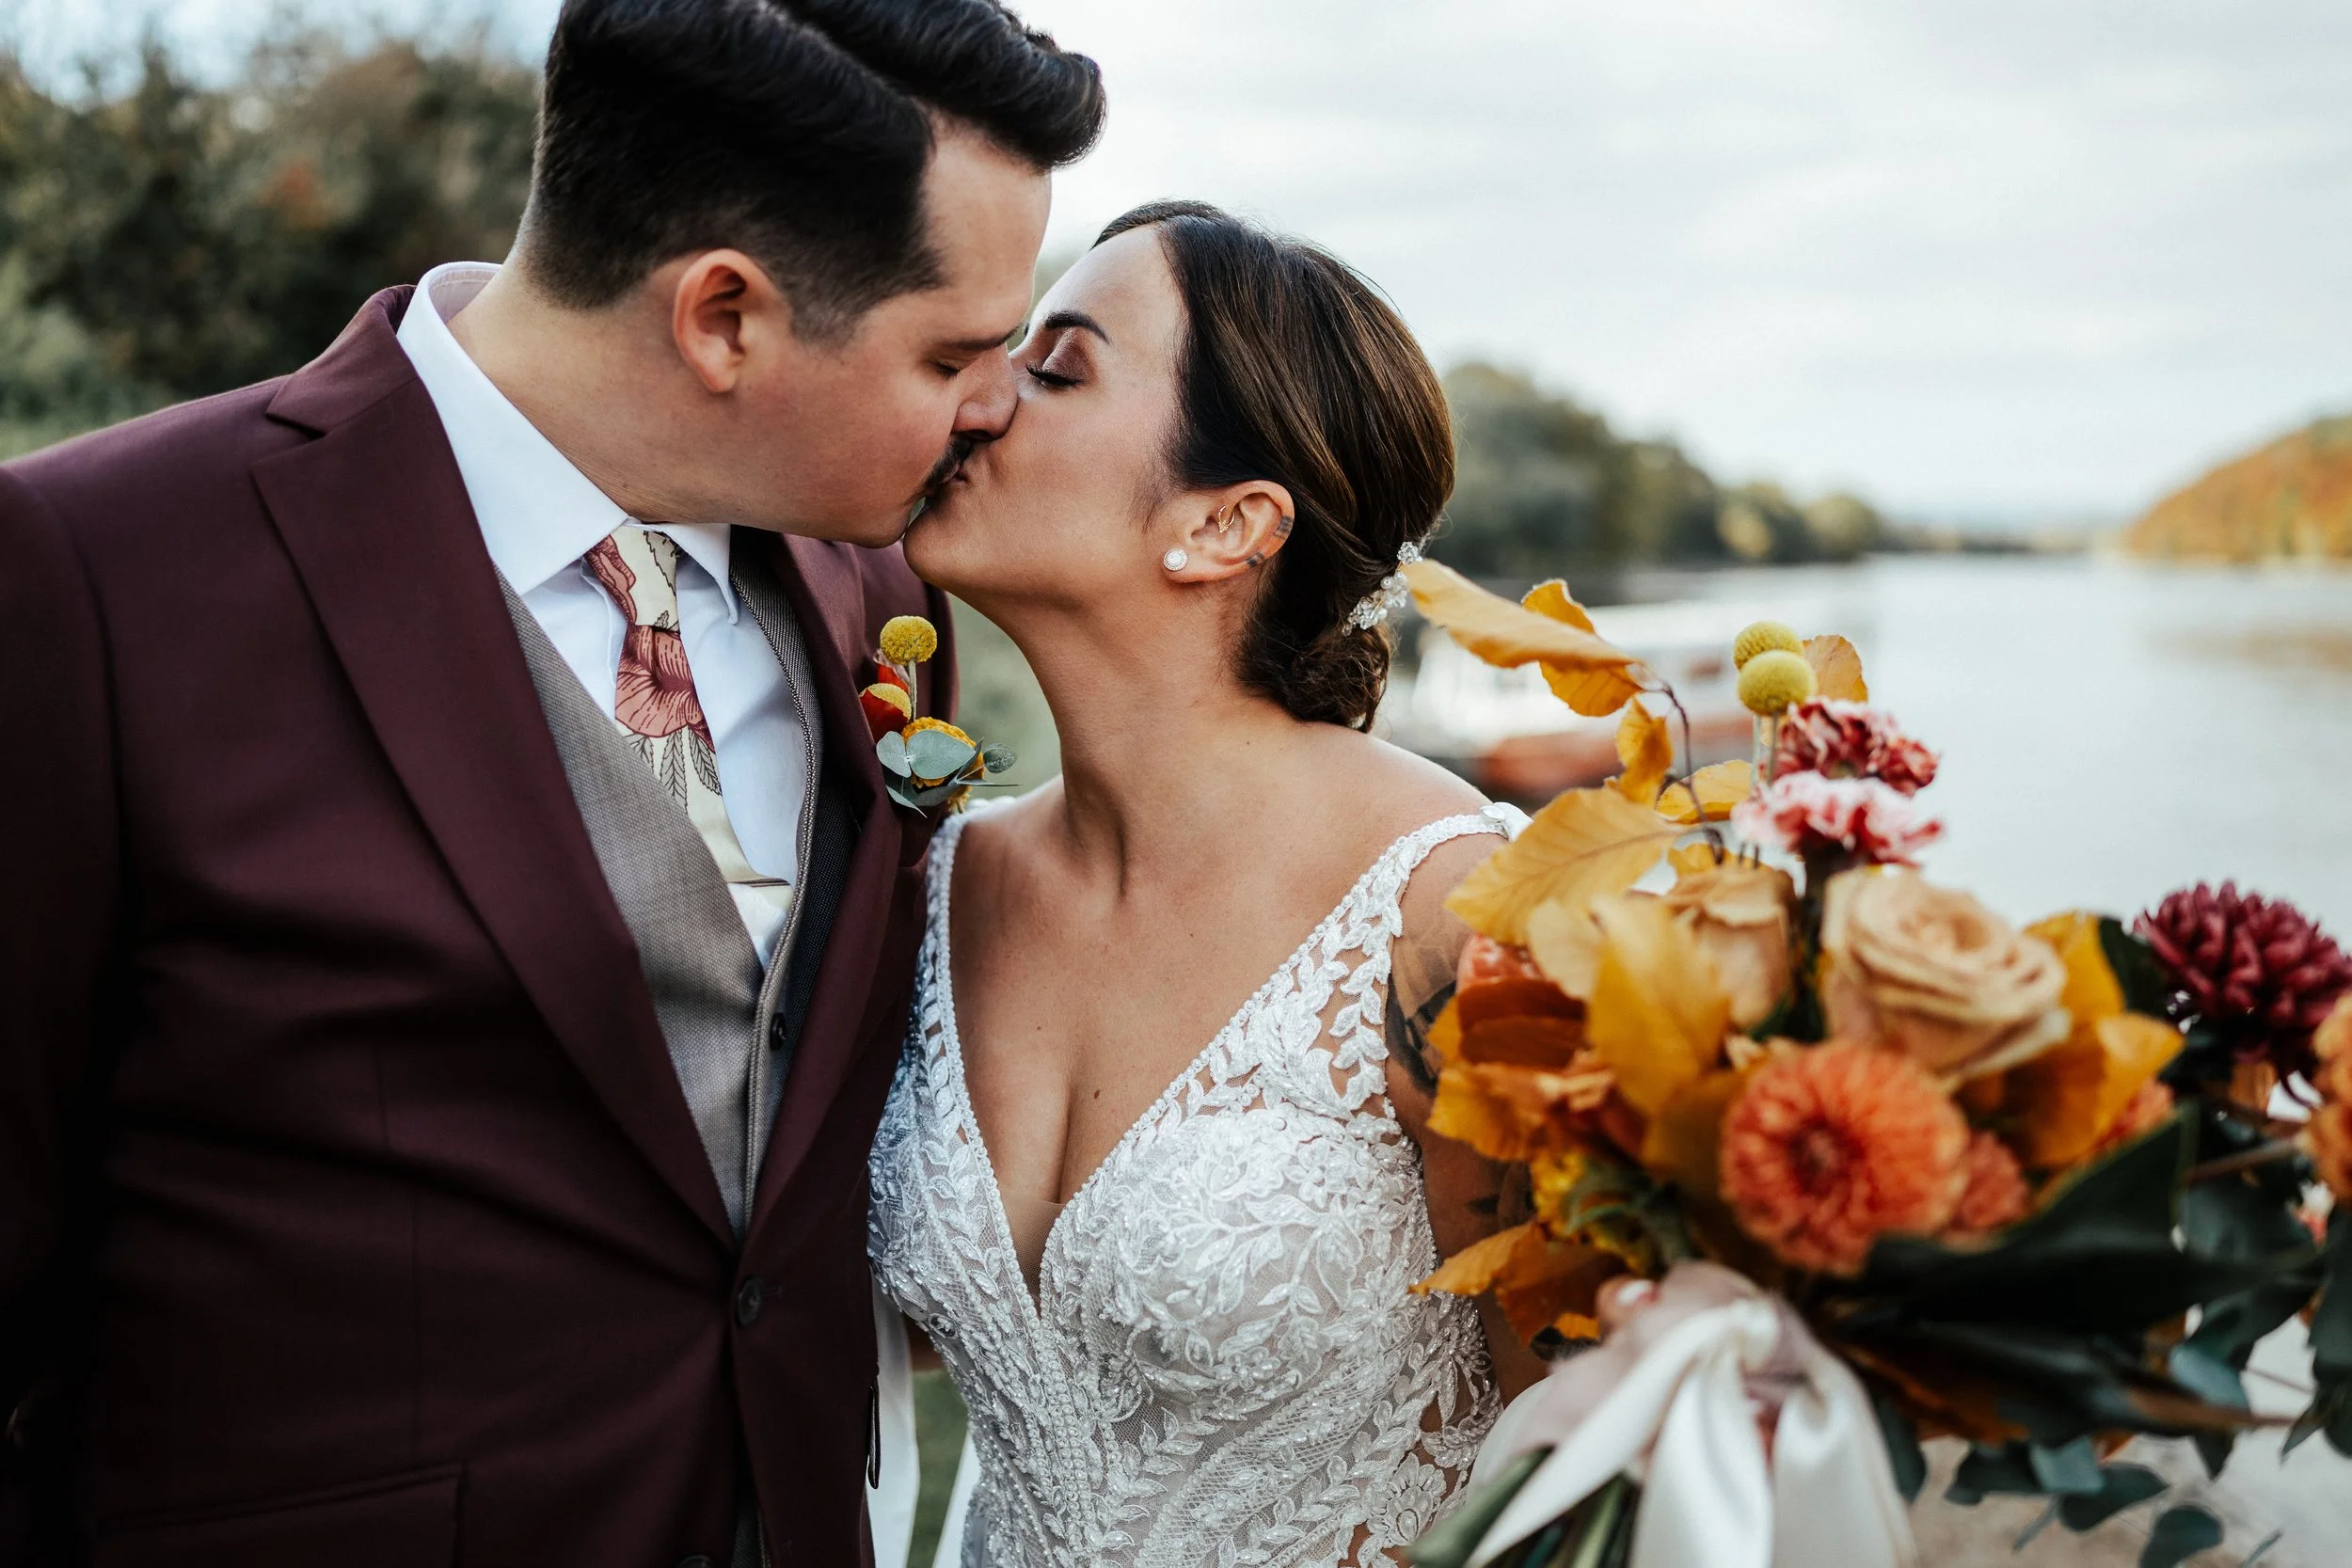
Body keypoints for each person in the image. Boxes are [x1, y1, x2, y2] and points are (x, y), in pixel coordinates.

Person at [0, 2, 1100, 1562]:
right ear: (724, 316)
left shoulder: (875, 596)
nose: (993, 403)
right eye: (954, 351)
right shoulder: (91, 576)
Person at [867, 201, 1553, 1568]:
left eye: (1057, 369)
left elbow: (1573, 1437)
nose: (982, 394)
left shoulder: (1450, 919)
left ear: (1226, 524)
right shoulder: (936, 880)